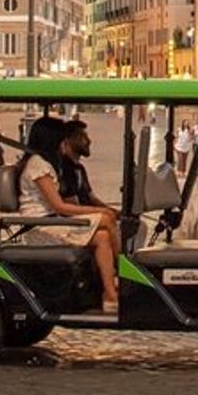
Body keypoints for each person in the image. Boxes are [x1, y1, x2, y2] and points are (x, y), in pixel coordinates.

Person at [15, 117, 120, 313]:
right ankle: (122, 273)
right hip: (40, 227)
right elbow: (59, 206)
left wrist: (96, 208)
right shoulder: (38, 165)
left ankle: (109, 293)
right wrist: (98, 211)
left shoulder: (51, 164)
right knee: (106, 219)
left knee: (103, 236)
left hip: (54, 222)